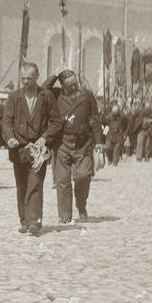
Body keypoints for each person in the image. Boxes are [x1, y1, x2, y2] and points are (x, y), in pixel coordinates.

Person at [1, 62, 61, 236]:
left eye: (29, 78)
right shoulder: (14, 97)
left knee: (35, 183)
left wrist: (45, 138)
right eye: (23, 78)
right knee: (22, 186)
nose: (25, 82)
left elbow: (56, 121)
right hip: (19, 148)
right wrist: (10, 138)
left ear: (37, 77)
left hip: (39, 151)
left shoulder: (46, 96)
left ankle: (34, 221)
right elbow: (7, 121)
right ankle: (25, 220)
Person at [46, 69, 104, 222]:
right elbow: (43, 90)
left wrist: (98, 141)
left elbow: (95, 119)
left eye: (75, 84)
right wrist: (54, 75)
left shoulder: (87, 95)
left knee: (83, 176)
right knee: (62, 181)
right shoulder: (56, 94)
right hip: (62, 144)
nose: (73, 88)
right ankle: (65, 215)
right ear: (63, 86)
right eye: (69, 85)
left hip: (82, 143)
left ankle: (81, 205)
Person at [103, 102, 128, 167]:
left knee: (117, 149)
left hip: (119, 134)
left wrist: (124, 132)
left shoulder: (122, 116)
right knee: (108, 148)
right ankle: (110, 160)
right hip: (110, 134)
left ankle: (115, 163)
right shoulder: (108, 116)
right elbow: (105, 124)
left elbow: (125, 124)